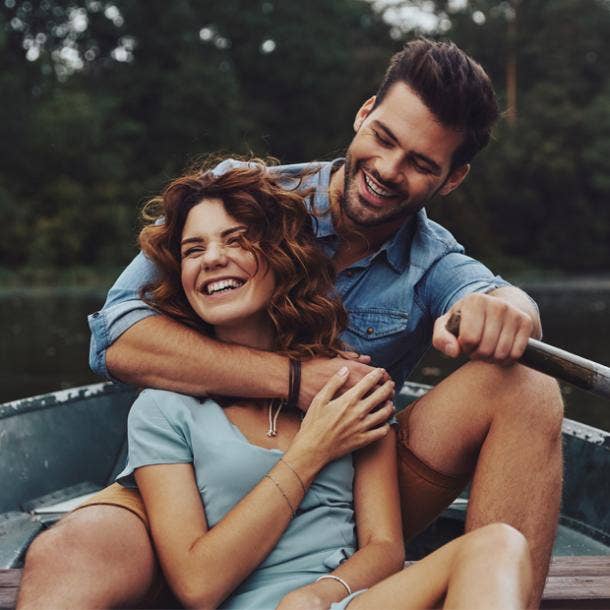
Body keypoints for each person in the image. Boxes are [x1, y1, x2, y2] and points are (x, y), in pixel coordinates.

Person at [17, 38, 562, 609]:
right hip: (191, 479)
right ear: (364, 113)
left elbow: (495, 295)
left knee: (526, 386)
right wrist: (296, 380)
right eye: (383, 137)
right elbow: (117, 336)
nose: (387, 168)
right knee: (68, 552)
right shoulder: (246, 201)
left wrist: (509, 311)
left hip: (344, 483)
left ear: (451, 179)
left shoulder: (434, 263)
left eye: (422, 164)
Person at [124, 161, 531, 609]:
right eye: (192, 250)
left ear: (282, 256)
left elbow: (385, 548)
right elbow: (198, 586)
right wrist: (312, 450)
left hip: (343, 602)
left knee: (499, 544)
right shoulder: (162, 411)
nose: (213, 258)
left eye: (237, 240)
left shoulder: (348, 387)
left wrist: (320, 594)